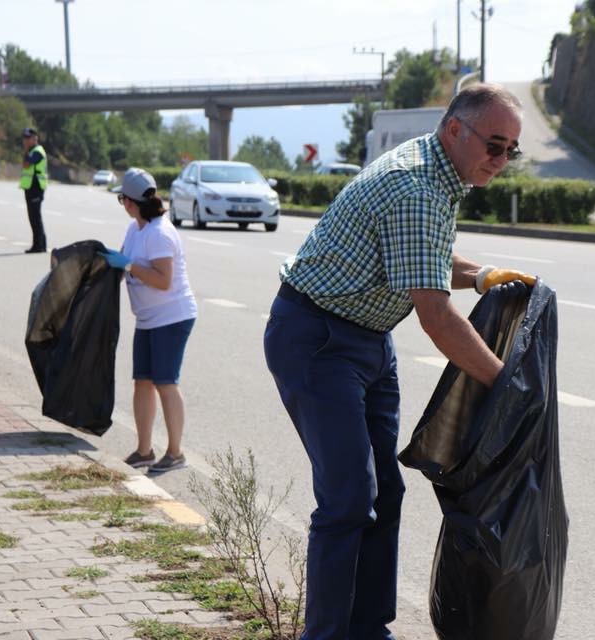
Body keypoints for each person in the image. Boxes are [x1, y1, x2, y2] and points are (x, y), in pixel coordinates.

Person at [263, 83, 536, 640]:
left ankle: (368, 629)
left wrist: (479, 274)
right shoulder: (415, 186)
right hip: (317, 339)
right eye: (495, 145)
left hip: (367, 340)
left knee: (385, 491)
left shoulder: (438, 173)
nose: (501, 161)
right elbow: (437, 317)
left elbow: (421, 254)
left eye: (511, 150)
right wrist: (505, 384)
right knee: (347, 499)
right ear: (456, 129)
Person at [100, 168, 197, 476]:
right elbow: (125, 261)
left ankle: (175, 452)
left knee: (165, 382)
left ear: (129, 201)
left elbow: (163, 280)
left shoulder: (159, 233)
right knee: (142, 381)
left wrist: (128, 264)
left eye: (120, 199)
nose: (122, 205)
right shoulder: (136, 229)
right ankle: (144, 450)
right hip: (147, 318)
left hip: (172, 316)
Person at [20, 127, 47, 253]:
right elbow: (25, 165)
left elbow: (27, 164)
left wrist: (25, 151)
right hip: (30, 187)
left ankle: (39, 246)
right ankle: (39, 244)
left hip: (36, 187)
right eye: (24, 138)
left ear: (35, 138)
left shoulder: (38, 151)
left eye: (27, 138)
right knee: (33, 217)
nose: (25, 140)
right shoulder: (31, 151)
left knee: (35, 217)